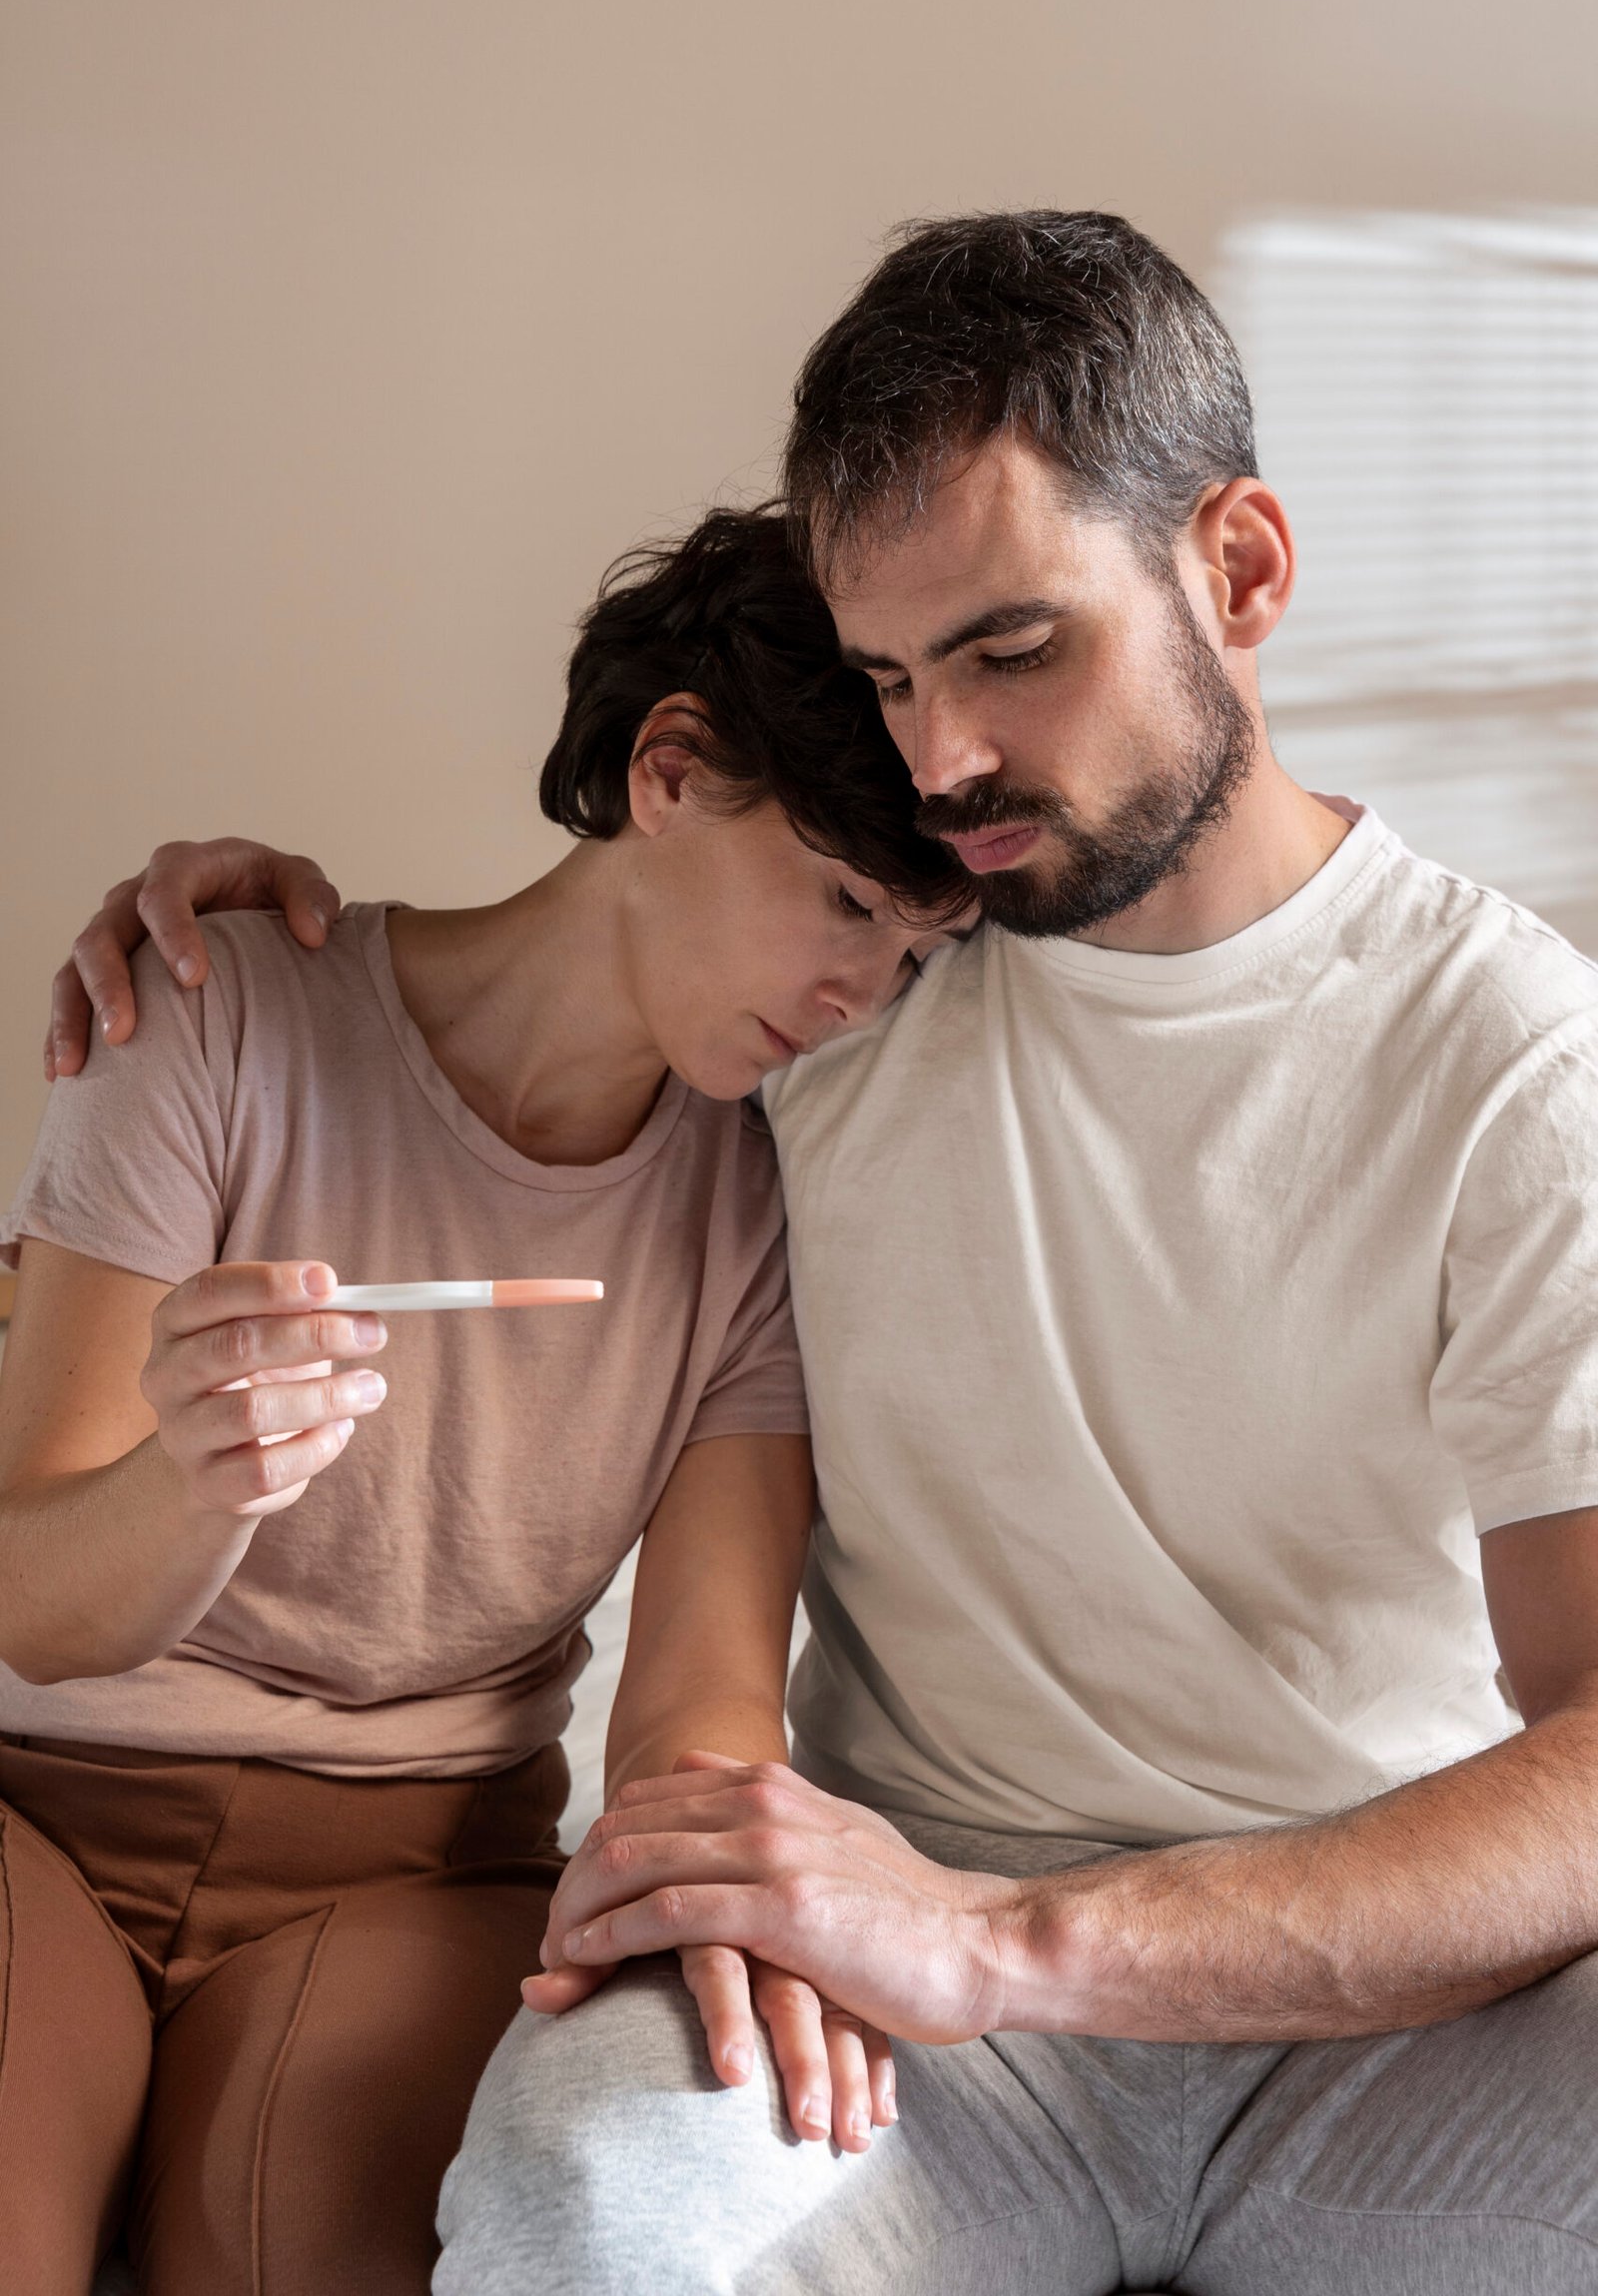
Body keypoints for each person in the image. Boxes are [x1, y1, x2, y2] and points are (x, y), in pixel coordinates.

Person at [52, 213, 1598, 2294]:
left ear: (1237, 571)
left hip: (1379, 2004)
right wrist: (228, 936)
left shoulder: (1512, 1062)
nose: (938, 762)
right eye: (889, 677)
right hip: (890, 1972)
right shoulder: (868, 964)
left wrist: (1014, 1945)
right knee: (594, 2220)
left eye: (1011, 652)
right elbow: (544, 983)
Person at [0, 504, 967, 2295]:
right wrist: (195, 1489)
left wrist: (747, 1905)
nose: (861, 995)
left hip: (413, 1871)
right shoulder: (214, 1011)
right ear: (668, 770)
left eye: (913, 952)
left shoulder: (765, 1206)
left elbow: (696, 1693)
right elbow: (33, 1601)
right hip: (40, 1808)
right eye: (846, 899)